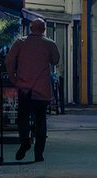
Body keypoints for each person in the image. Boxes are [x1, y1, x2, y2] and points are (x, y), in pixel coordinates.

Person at [5, 19, 60, 162]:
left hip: (24, 88)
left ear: (31, 28)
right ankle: (39, 154)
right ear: (44, 29)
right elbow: (55, 60)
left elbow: (9, 60)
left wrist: (13, 78)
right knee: (41, 120)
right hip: (42, 89)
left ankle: (25, 141)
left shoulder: (20, 43)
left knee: (23, 117)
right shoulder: (50, 44)